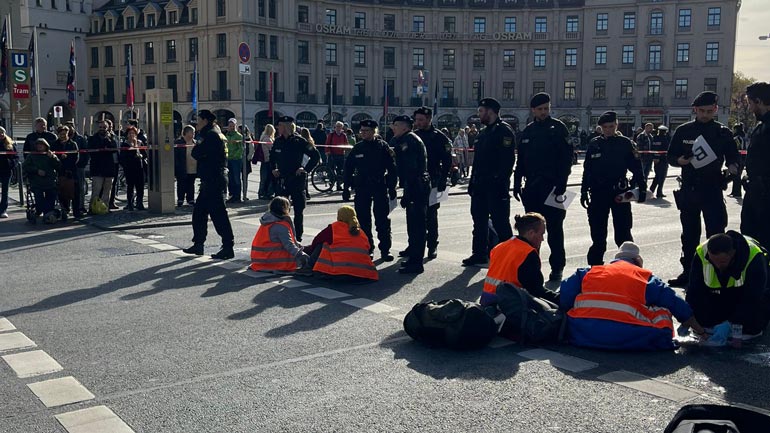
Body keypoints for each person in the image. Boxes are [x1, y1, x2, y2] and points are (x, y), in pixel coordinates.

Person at [560, 241, 707, 350]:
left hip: (582, 333)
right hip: (629, 336)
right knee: (662, 312)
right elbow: (675, 303)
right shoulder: (645, 278)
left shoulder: (589, 272)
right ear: (637, 261)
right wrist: (699, 330)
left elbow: (564, 297)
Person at [667, 91, 740, 287]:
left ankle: (718, 274)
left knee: (715, 234)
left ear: (715, 109)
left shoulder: (723, 132)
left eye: (709, 111)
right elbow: (670, 156)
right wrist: (679, 161)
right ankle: (689, 273)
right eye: (702, 111)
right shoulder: (684, 130)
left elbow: (734, 158)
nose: (705, 115)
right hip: (690, 188)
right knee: (689, 235)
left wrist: (732, 169)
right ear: (695, 110)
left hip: (713, 188)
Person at [514, 92, 573, 281]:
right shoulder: (528, 131)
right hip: (532, 188)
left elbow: (567, 159)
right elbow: (521, 160)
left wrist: (562, 185)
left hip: (553, 187)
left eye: (546, 108)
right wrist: (516, 182)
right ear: (533, 110)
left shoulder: (558, 128)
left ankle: (557, 266)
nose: (544, 112)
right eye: (540, 109)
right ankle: (533, 266)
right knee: (531, 231)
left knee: (555, 229)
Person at [581, 111, 647, 266]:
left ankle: (629, 267)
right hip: (598, 193)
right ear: (600, 128)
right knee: (598, 235)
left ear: (616, 125)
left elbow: (637, 168)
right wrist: (584, 191)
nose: (608, 130)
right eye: (605, 127)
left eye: (611, 126)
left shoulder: (625, 143)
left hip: (619, 192)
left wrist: (642, 188)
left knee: (623, 233)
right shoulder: (594, 144)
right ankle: (595, 268)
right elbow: (587, 170)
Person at [686, 232, 770, 339]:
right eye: (713, 261)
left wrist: (732, 323)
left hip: (747, 294)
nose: (717, 266)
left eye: (722, 262)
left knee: (754, 323)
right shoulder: (702, 253)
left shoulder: (755, 258)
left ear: (733, 254)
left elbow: (753, 297)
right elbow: (694, 290)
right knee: (701, 318)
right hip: (719, 293)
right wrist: (688, 317)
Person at [464, 98, 516, 266]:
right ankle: (479, 253)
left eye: (481, 111)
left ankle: (508, 258)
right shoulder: (483, 133)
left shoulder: (504, 131)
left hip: (495, 187)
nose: (479, 114)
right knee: (478, 222)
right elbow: (478, 162)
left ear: (491, 111)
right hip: (480, 186)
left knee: (501, 224)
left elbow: (507, 161)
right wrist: (472, 183)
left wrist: (499, 182)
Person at [182, 109, 235, 260]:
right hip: (211, 179)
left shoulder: (210, 134)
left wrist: (200, 150)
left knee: (219, 215)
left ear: (205, 120)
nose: (196, 123)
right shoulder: (214, 133)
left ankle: (228, 246)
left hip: (214, 179)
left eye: (198, 120)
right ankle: (198, 244)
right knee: (199, 213)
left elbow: (196, 153)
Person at [342, 119, 398, 261]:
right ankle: (368, 248)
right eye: (361, 131)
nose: (363, 133)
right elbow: (348, 168)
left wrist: (392, 187)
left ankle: (385, 249)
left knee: (382, 220)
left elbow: (392, 168)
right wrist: (346, 187)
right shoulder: (358, 148)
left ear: (374, 131)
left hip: (379, 186)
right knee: (363, 220)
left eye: (366, 131)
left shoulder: (383, 146)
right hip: (362, 187)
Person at [481, 212, 559, 306]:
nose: (542, 239)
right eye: (541, 234)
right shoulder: (527, 253)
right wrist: (561, 299)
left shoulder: (500, 247)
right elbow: (536, 290)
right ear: (531, 233)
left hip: (487, 300)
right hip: (509, 305)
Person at [270, 115, 321, 242]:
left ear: (286, 127)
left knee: (298, 210)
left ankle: (298, 236)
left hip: (297, 179)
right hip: (283, 179)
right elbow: (272, 158)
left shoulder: (299, 141)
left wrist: (305, 169)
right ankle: (282, 236)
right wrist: (273, 169)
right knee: (280, 210)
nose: (277, 128)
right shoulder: (278, 141)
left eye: (280, 125)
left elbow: (315, 155)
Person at [390, 115, 430, 274]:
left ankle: (416, 262)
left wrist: (408, 193)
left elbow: (411, 169)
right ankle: (413, 259)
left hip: (416, 187)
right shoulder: (406, 139)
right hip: (414, 186)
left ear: (405, 127)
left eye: (396, 125)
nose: (393, 128)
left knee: (417, 226)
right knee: (413, 226)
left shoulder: (409, 141)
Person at [413, 106, 453, 259]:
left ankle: (432, 246)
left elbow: (447, 160)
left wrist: (443, 179)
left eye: (421, 120)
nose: (418, 123)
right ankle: (414, 245)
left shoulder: (439, 137)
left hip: (434, 181)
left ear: (429, 119)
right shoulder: (413, 136)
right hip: (416, 181)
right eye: (416, 120)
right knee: (415, 215)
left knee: (431, 215)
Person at [303, 205, 379, 281]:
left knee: (324, 244)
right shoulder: (361, 232)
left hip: (339, 273)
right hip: (364, 274)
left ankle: (308, 267)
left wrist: (305, 250)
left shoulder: (333, 228)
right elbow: (367, 248)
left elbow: (316, 242)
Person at [249, 196, 311, 273]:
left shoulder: (268, 222)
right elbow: (289, 245)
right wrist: (302, 255)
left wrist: (298, 245)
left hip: (261, 261)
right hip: (275, 263)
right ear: (284, 208)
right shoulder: (280, 225)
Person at [742, 82, 770, 249]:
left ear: (758, 101)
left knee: (758, 241)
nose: (750, 108)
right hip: (758, 190)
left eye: (750, 103)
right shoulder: (763, 125)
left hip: (764, 194)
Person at [23, 138, 61, 220]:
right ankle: (44, 212)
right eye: (38, 145)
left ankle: (48, 213)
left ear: (46, 146)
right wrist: (36, 170)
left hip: (50, 181)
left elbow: (58, 166)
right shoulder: (32, 156)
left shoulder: (50, 155)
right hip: (36, 182)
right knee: (39, 197)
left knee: (52, 194)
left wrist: (53, 158)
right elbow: (25, 166)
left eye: (42, 145)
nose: (40, 146)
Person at [87, 120, 119, 211]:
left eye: (104, 127)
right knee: (96, 191)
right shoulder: (93, 138)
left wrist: (108, 140)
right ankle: (93, 208)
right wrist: (104, 148)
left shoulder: (111, 137)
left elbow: (114, 148)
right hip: (97, 168)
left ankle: (105, 208)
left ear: (108, 128)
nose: (102, 129)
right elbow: (92, 150)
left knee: (107, 191)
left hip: (109, 167)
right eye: (101, 127)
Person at [50, 125, 79, 220]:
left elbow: (76, 157)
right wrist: (59, 158)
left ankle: (76, 212)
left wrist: (67, 158)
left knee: (74, 192)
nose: (63, 136)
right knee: (62, 192)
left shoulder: (73, 144)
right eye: (61, 134)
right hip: (60, 171)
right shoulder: (54, 144)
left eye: (65, 134)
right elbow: (52, 158)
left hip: (71, 171)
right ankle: (65, 210)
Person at [119, 126, 147, 211]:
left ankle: (139, 203)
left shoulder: (139, 143)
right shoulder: (125, 144)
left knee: (140, 186)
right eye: (130, 133)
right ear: (127, 135)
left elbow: (144, 154)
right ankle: (130, 204)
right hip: (130, 168)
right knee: (130, 186)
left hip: (139, 167)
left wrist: (140, 154)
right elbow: (123, 157)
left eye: (133, 133)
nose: (132, 135)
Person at [65, 120, 89, 217]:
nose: (69, 129)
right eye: (67, 127)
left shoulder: (80, 139)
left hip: (79, 167)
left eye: (71, 126)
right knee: (66, 187)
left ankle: (80, 207)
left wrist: (82, 164)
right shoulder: (63, 139)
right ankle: (66, 207)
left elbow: (85, 153)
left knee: (80, 187)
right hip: (67, 167)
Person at [174, 125, 197, 207]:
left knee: (191, 184)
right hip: (182, 168)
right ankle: (180, 199)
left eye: (194, 132)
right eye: (192, 132)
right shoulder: (179, 143)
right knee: (181, 184)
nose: (193, 134)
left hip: (193, 168)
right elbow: (175, 156)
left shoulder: (195, 142)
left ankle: (190, 199)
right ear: (186, 133)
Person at [0, 126, 19, 219]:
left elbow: (16, 157)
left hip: (6, 170)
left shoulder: (10, 144)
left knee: (5, 191)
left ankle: (3, 210)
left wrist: (11, 164)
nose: (0, 134)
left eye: (2, 132)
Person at [325, 121, 348, 191]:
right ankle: (331, 185)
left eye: (340, 127)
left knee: (340, 171)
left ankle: (339, 185)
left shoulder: (344, 135)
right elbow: (327, 144)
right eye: (337, 126)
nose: (338, 128)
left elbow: (346, 143)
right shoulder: (331, 135)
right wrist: (328, 152)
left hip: (341, 155)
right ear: (335, 127)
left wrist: (345, 148)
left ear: (342, 128)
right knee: (331, 170)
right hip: (332, 154)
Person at [224, 118, 244, 203]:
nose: (231, 127)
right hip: (228, 159)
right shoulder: (227, 135)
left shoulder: (239, 136)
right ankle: (231, 195)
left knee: (236, 178)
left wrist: (235, 156)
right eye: (230, 126)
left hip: (236, 160)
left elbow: (241, 148)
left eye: (233, 126)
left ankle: (237, 196)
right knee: (230, 178)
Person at [649, 125, 670, 199]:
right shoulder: (665, 139)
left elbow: (653, 148)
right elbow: (666, 149)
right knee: (662, 177)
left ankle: (651, 191)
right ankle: (659, 192)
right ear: (665, 132)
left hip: (656, 160)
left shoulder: (654, 138)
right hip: (663, 160)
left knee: (657, 176)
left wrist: (655, 157)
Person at [255, 124, 275, 200]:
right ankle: (265, 193)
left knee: (263, 177)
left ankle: (262, 192)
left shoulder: (263, 137)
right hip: (267, 160)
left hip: (264, 160)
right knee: (267, 178)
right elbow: (272, 149)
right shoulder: (267, 139)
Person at [728, 123, 747, 198]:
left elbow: (741, 149)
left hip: (738, 158)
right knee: (735, 175)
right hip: (741, 158)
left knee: (737, 176)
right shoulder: (742, 137)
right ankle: (734, 191)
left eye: (734, 129)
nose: (733, 130)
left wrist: (737, 155)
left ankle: (737, 192)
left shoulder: (738, 138)